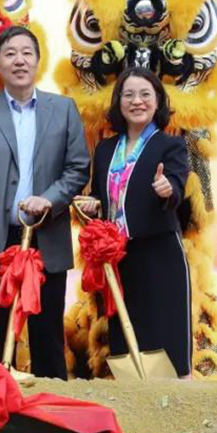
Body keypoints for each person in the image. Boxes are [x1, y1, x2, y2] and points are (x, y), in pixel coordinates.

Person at [0, 26, 90, 379]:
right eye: (10, 53)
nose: (19, 60)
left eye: (27, 52)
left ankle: (52, 402)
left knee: (47, 334)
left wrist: (48, 199)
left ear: (38, 61)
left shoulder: (63, 109)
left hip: (47, 235)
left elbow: (78, 168)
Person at [74, 68, 194, 376]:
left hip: (159, 254)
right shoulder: (105, 150)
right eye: (128, 95)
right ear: (118, 102)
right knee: (126, 339)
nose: (136, 101)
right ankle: (134, 401)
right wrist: (93, 203)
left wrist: (168, 189)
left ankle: (174, 400)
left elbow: (177, 187)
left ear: (158, 102)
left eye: (145, 94)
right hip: (118, 259)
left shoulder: (170, 145)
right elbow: (102, 196)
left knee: (165, 339)